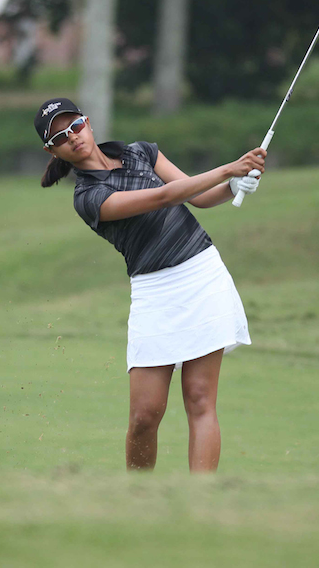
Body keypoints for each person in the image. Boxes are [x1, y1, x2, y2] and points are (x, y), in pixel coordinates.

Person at [34, 98, 266, 473]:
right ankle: (140, 504)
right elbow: (162, 197)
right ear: (52, 150)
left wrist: (234, 185)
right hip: (154, 293)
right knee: (144, 417)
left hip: (202, 276)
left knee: (200, 399)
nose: (72, 137)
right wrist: (227, 168)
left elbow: (198, 197)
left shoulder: (139, 152)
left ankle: (199, 505)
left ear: (87, 122)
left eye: (74, 125)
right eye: (60, 136)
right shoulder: (88, 197)